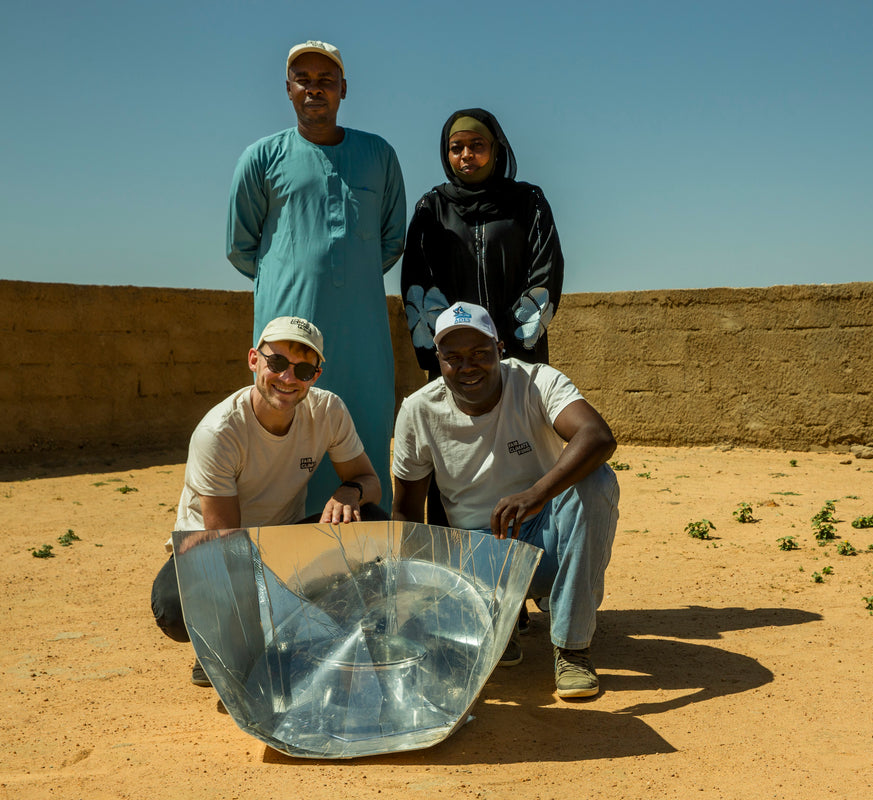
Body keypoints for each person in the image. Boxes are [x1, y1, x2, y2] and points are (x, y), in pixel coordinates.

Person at [391, 302, 619, 699]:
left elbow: (597, 436)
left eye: (480, 354)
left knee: (595, 481)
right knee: (484, 652)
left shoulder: (535, 382)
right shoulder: (418, 410)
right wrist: (410, 596)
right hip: (477, 557)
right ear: (438, 359)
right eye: (454, 357)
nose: (468, 366)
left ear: (499, 349)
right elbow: (406, 511)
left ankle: (572, 647)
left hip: (546, 538)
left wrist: (536, 495)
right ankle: (503, 618)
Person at [151, 316, 389, 686]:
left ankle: (352, 633)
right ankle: (216, 644)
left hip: (281, 541)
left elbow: (370, 482)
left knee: (371, 520)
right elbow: (226, 542)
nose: (288, 378)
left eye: (304, 370)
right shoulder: (219, 433)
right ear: (254, 360)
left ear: (317, 375)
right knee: (173, 607)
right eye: (277, 363)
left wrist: (349, 491)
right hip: (214, 549)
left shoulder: (328, 411)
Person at [227, 39, 406, 518]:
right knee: (283, 429)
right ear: (287, 89)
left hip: (363, 334)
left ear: (344, 89)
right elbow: (240, 246)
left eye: (326, 80)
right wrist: (290, 277)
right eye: (303, 79)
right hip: (287, 330)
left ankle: (367, 559)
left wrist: (345, 278)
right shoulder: (261, 158)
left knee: (365, 429)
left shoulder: (379, 155)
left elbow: (391, 241)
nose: (314, 89)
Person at [400, 108, 564, 374]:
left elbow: (546, 273)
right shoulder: (431, 209)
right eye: (457, 148)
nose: (466, 155)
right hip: (456, 361)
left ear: (495, 149)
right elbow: (417, 282)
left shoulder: (528, 202)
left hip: (516, 358)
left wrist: (500, 342)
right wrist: (459, 344)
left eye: (477, 145)